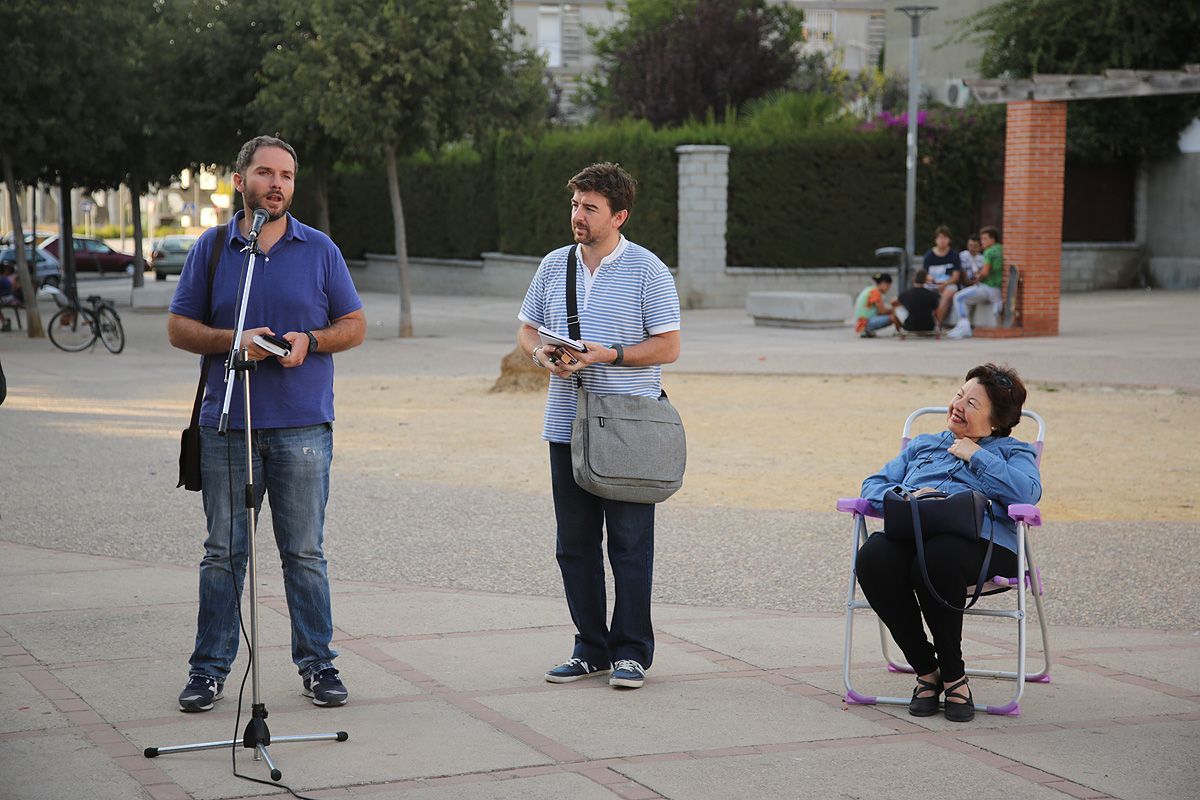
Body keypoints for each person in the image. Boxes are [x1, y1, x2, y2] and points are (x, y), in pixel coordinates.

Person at [167, 135, 366, 712]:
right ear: (239, 181)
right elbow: (180, 328)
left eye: (286, 175)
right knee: (223, 553)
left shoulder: (320, 249)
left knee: (304, 552)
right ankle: (208, 672)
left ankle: (318, 665)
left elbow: (353, 324)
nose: (276, 183)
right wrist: (235, 340)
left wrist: (312, 340)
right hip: (228, 423)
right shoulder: (213, 247)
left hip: (302, 424)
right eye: (264, 173)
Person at [516, 162, 681, 690]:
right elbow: (526, 329)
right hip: (566, 423)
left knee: (630, 544)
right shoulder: (554, 265)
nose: (577, 216)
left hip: (630, 426)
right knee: (574, 544)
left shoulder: (649, 270)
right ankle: (590, 647)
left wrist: (608, 355)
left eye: (590, 207)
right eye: (575, 205)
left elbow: (669, 346)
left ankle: (631, 651)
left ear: (619, 215)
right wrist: (543, 354)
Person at [854, 364, 1041, 722]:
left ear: (996, 419)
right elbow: (872, 484)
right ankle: (927, 670)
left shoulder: (1014, 452)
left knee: (939, 558)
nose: (958, 405)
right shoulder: (925, 444)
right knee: (874, 557)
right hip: (915, 532)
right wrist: (904, 494)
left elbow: (1027, 495)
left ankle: (954, 675)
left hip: (981, 544)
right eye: (959, 395)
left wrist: (976, 455)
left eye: (973, 403)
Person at [946, 227, 1003, 339]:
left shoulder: (989, 252)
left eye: (985, 239)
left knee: (959, 297)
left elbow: (985, 273)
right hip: (998, 290)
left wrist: (977, 278)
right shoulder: (1001, 249)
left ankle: (964, 327)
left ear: (993, 239)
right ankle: (961, 326)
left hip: (987, 287)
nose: (982, 242)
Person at [892, 269, 940, 335]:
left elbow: (892, 302)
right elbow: (937, 312)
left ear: (913, 279)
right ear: (926, 280)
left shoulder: (905, 294)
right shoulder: (932, 295)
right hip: (929, 326)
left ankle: (898, 330)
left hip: (910, 326)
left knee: (896, 308)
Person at [921, 225, 963, 291]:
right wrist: (930, 279)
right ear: (935, 240)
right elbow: (925, 273)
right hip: (932, 284)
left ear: (949, 239)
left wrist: (945, 284)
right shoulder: (928, 255)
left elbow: (955, 277)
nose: (942, 240)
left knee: (949, 291)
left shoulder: (954, 255)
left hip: (949, 284)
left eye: (945, 238)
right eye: (940, 238)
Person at [854, 273, 893, 338]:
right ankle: (900, 332)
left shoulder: (870, 289)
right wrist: (894, 310)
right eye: (888, 286)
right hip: (865, 323)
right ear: (884, 283)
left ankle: (867, 331)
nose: (888, 288)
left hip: (861, 322)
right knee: (894, 317)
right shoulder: (875, 292)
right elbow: (882, 311)